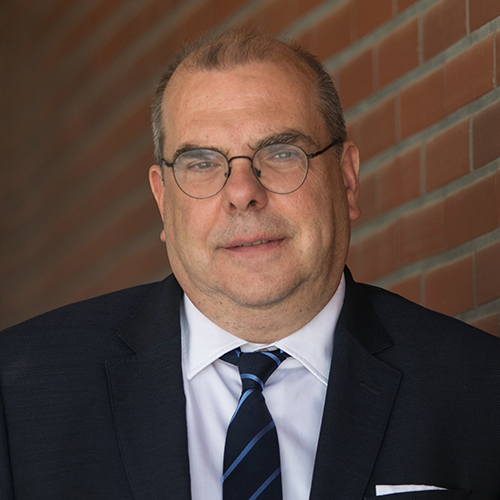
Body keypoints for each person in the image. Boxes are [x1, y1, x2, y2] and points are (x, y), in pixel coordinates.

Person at [1, 29, 499, 500]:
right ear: (163, 199)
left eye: (281, 152)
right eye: (201, 163)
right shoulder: (19, 395)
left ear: (347, 180)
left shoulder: (480, 387)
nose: (242, 192)